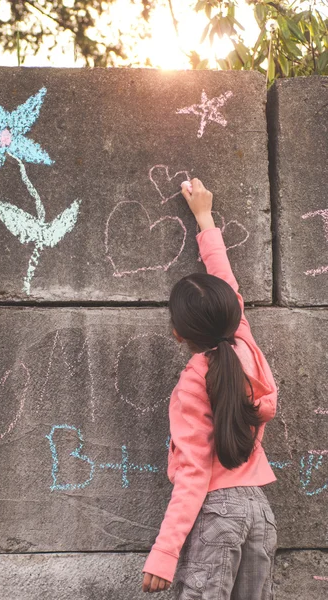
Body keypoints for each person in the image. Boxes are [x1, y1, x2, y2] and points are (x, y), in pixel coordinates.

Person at [141, 178, 278, 599]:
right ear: (233, 312)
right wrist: (205, 217)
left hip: (216, 511)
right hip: (260, 512)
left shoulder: (193, 382)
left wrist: (164, 554)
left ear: (178, 335)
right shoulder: (246, 347)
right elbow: (225, 280)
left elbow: (194, 472)